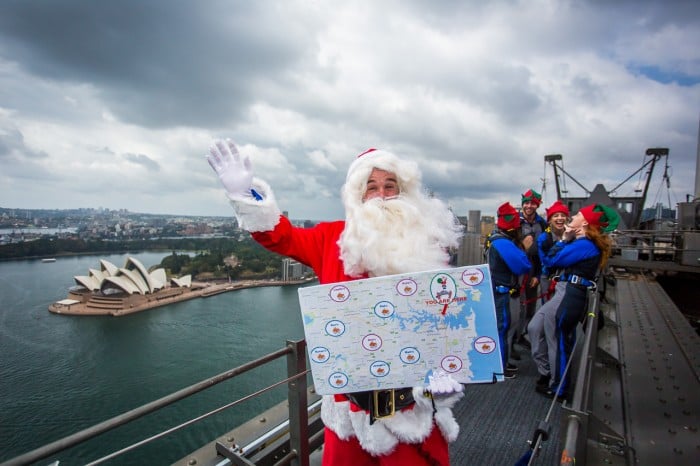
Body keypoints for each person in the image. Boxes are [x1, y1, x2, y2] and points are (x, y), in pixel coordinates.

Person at [207, 140, 465, 466]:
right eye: (372, 187)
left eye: (390, 186)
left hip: (413, 408)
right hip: (350, 413)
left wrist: (444, 378)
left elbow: (443, 322)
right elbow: (280, 236)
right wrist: (247, 196)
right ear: (358, 195)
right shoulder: (330, 239)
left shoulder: (428, 246)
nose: (382, 195)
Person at [537, 203, 619, 400]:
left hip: (571, 295)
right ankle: (561, 383)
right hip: (575, 293)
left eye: (578, 215)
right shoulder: (587, 244)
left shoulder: (583, 245)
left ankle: (559, 387)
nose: (572, 216)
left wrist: (564, 240)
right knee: (564, 339)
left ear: (584, 224)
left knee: (561, 340)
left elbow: (550, 260)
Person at [526, 200, 570, 393]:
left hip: (565, 287)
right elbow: (542, 258)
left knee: (555, 334)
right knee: (535, 328)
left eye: (562, 215)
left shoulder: (574, 237)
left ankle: (557, 377)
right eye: (555, 216)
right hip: (548, 283)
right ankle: (545, 370)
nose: (559, 218)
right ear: (550, 219)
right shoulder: (544, 239)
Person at [484, 202, 532, 378]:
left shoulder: (496, 238)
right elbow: (522, 266)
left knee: (506, 329)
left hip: (502, 291)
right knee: (503, 329)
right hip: (503, 293)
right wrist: (523, 249)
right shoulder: (502, 243)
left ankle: (501, 363)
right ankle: (500, 367)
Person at [513, 189, 548, 354]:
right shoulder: (516, 222)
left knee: (530, 307)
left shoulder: (542, 223)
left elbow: (545, 251)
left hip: (533, 270)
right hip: (518, 270)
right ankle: (512, 340)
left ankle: (523, 335)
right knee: (516, 307)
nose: (529, 206)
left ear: (537, 205)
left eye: (532, 203)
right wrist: (522, 246)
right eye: (526, 203)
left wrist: (538, 275)